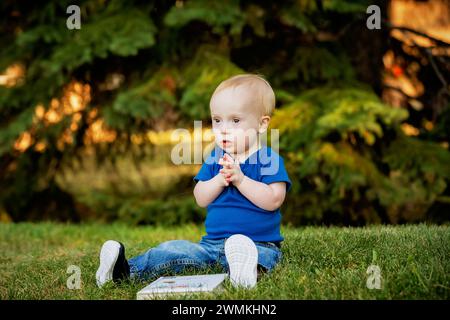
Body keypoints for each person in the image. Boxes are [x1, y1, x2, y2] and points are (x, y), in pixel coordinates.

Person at [96, 74, 292, 289]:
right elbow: (201, 197)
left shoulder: (269, 160)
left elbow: (274, 200)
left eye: (235, 120)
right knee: (174, 250)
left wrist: (241, 179)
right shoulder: (216, 158)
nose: (223, 128)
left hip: (258, 243)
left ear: (262, 124)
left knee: (263, 257)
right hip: (211, 245)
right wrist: (219, 179)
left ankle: (246, 271)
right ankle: (124, 270)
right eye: (217, 120)